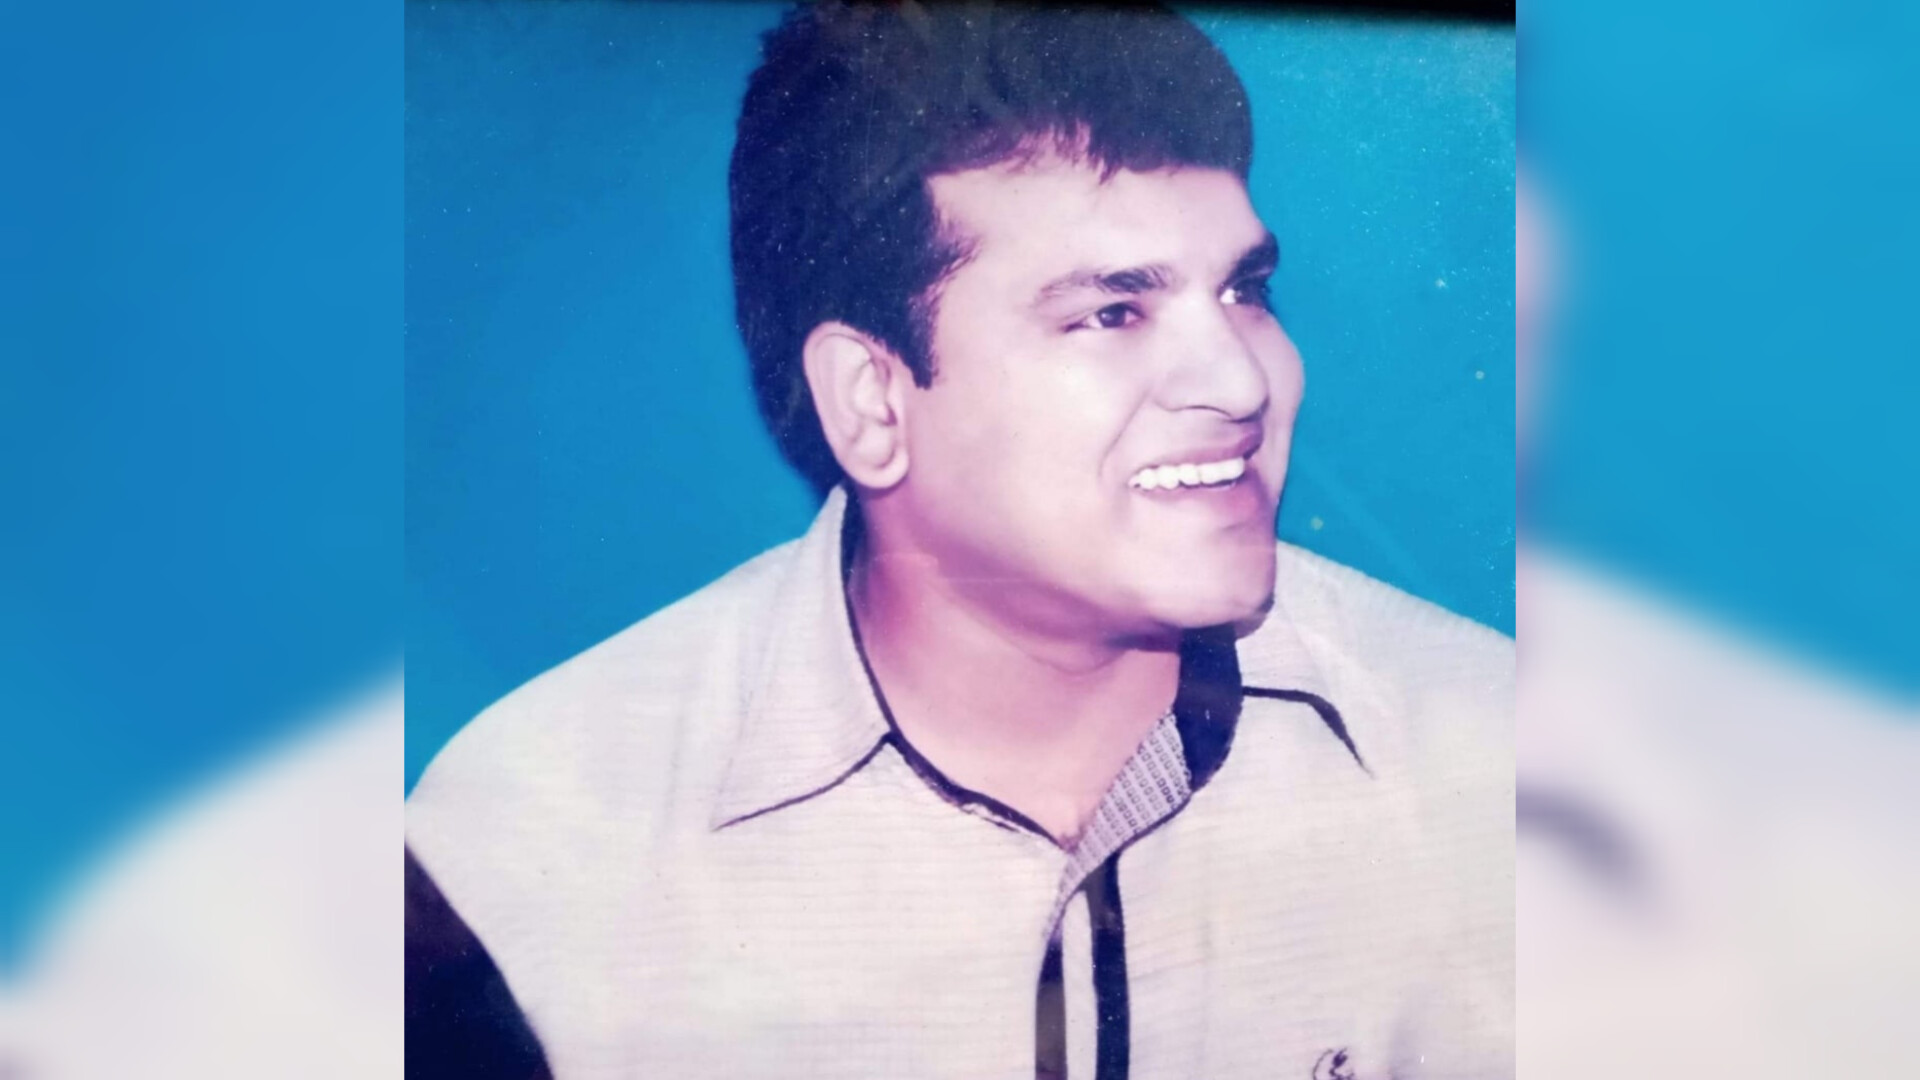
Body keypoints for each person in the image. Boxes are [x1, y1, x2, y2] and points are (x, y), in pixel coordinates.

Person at [406, 3, 1512, 1078]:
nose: (1240, 381)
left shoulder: (1492, 754)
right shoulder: (530, 852)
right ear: (872, 403)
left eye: (1244, 291)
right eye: (1111, 313)